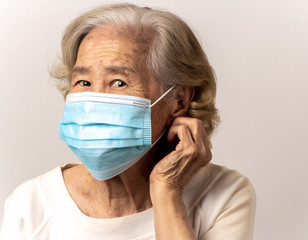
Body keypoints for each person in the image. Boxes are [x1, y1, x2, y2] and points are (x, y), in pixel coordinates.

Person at [0, 3, 256, 240]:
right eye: (84, 82)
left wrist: (167, 191)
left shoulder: (223, 195)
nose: (94, 100)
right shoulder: (30, 204)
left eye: (119, 82)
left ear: (178, 99)